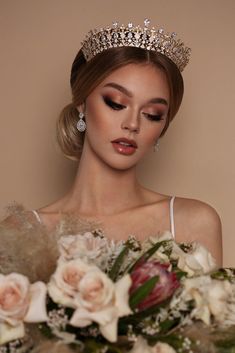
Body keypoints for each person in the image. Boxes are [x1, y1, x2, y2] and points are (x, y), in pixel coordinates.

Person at [4, 20, 223, 266]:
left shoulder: (192, 222)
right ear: (82, 103)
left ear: (163, 126)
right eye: (116, 103)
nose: (132, 124)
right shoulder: (22, 233)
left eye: (152, 114)